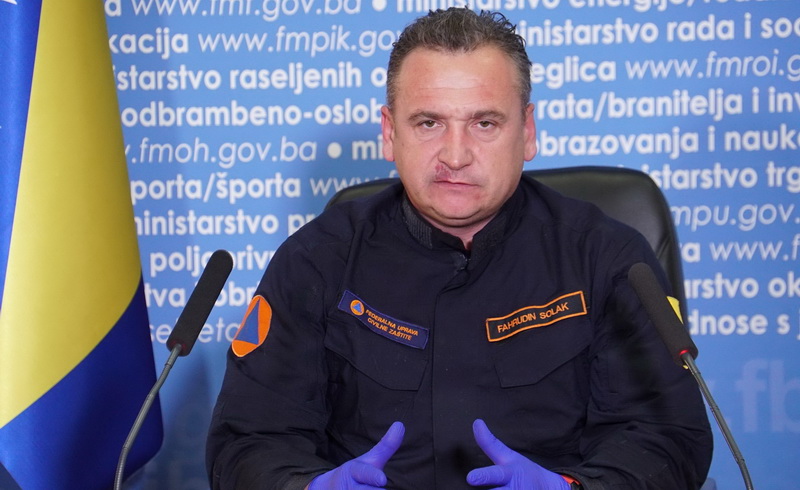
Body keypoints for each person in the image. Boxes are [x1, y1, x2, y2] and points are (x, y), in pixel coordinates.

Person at [206, 7, 713, 489]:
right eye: (428, 123)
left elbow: (669, 439)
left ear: (527, 132)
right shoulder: (315, 260)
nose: (455, 155)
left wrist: (575, 487)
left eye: (484, 123)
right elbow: (248, 441)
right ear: (389, 133)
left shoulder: (608, 258)